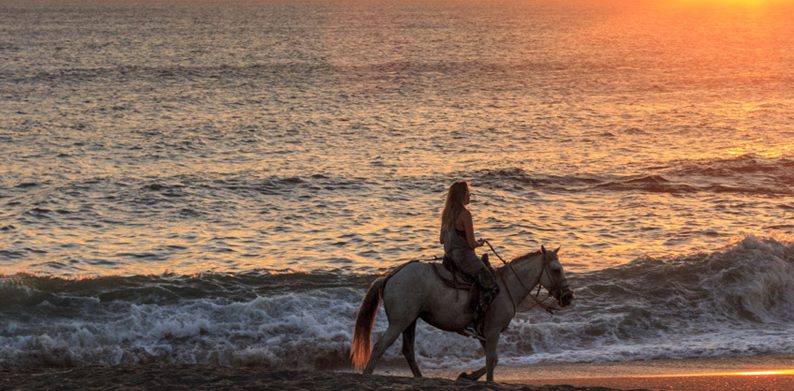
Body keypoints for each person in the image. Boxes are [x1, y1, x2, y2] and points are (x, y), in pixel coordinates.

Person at [439, 180, 498, 340]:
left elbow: (441, 240)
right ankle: (473, 322)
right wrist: (480, 242)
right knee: (491, 284)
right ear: (461, 196)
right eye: (468, 193)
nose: (469, 197)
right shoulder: (465, 214)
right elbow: (471, 244)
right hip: (464, 258)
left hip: (449, 258)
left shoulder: (446, 214)